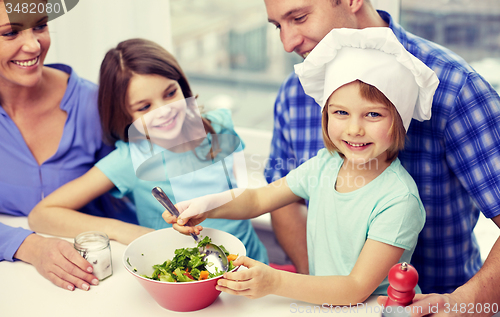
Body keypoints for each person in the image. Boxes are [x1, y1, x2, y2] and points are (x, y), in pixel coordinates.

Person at [164, 27, 439, 305]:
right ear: (326, 114)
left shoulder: (398, 201)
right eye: (341, 112)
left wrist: (275, 281)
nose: (354, 129)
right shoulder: (325, 165)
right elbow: (259, 198)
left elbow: (355, 288)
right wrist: (206, 206)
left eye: (373, 114)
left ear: (399, 120)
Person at [263, 0, 500, 314]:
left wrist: (464, 302)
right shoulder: (295, 93)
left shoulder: (456, 88)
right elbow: (284, 200)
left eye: (299, 17)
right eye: (278, 26)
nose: (287, 42)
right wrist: (329, 293)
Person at [28, 38, 269, 267]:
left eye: (170, 93)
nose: (165, 111)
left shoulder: (220, 124)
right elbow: (42, 215)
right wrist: (126, 230)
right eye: (144, 107)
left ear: (182, 86)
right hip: (189, 279)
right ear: (126, 115)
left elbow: (243, 193)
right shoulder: (128, 160)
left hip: (255, 264)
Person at [0, 0, 140, 292]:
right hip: (17, 284)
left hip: (109, 273)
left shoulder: (94, 103)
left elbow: (156, 173)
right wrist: (30, 246)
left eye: (40, 26)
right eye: (10, 33)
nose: (34, 46)